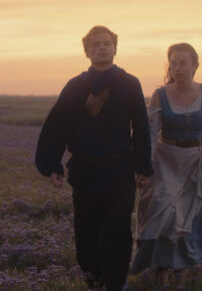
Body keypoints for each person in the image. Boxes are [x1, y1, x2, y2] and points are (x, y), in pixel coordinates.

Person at [35, 25, 153, 291]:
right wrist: (51, 165)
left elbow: (141, 127)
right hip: (85, 171)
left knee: (118, 228)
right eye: (96, 44)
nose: (102, 47)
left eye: (107, 43)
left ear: (115, 48)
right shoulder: (76, 86)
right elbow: (57, 124)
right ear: (87, 51)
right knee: (86, 231)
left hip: (120, 170)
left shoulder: (129, 83)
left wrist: (143, 165)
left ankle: (115, 283)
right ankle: (94, 279)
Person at [131, 43, 202, 289]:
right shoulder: (160, 94)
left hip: (196, 161)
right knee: (162, 211)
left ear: (195, 65)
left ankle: (180, 272)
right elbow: (151, 134)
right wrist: (144, 167)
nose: (178, 67)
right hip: (165, 160)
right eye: (174, 63)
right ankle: (160, 269)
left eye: (183, 63)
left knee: (188, 218)